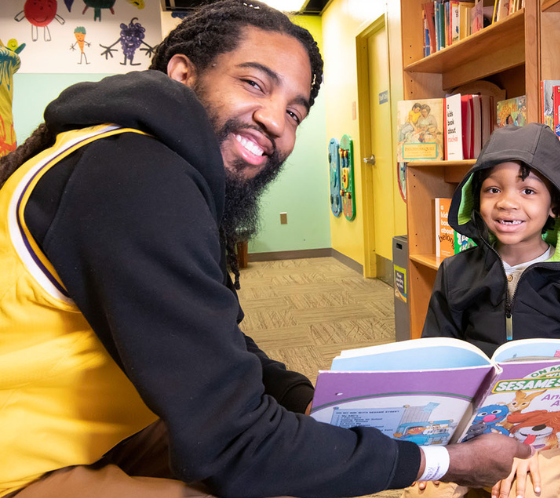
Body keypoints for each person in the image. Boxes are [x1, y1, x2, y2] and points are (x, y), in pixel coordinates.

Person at [0, 2, 532, 497]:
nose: (276, 121)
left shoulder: (134, 155)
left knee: (297, 455)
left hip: (105, 424)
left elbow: (210, 339)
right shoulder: (134, 176)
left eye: (295, 112)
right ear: (183, 75)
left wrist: (305, 400)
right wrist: (444, 461)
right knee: (277, 468)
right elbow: (236, 444)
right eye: (254, 83)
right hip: (22, 462)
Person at [416, 123, 560, 498]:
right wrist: (439, 439)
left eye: (528, 190)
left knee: (529, 491)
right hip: (463, 424)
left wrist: (529, 443)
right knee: (426, 492)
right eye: (493, 189)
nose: (507, 202)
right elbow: (437, 360)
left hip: (542, 428)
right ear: (476, 197)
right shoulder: (455, 272)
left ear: (555, 206)